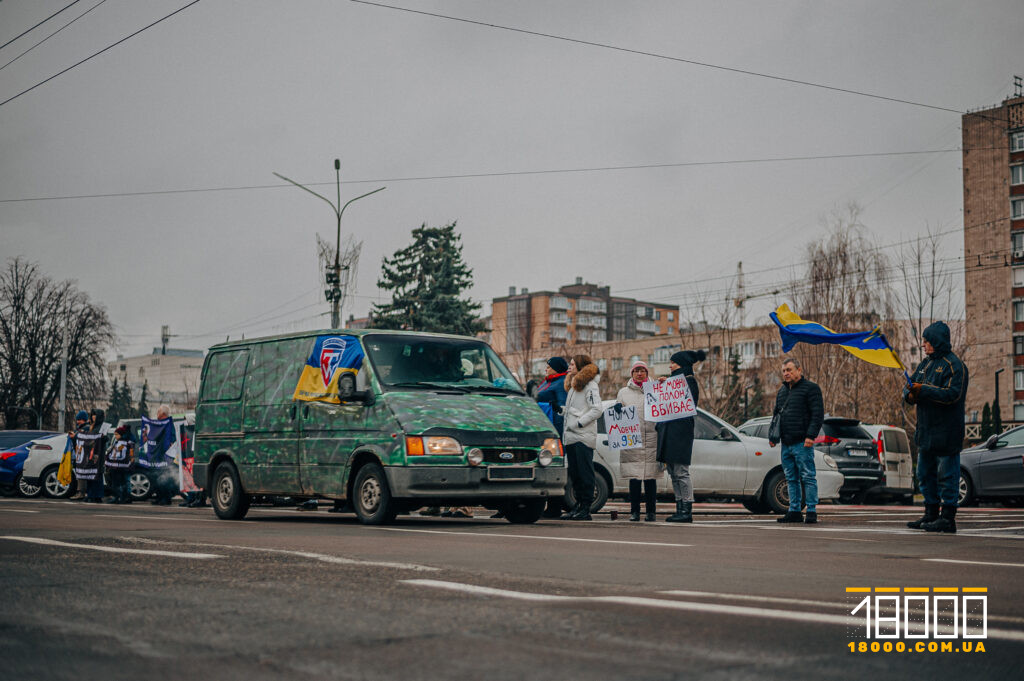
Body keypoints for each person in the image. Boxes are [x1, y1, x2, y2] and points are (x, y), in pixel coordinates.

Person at [904, 321, 968, 534]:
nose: (923, 345)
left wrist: (924, 390)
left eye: (926, 341)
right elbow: (911, 388)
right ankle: (930, 514)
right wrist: (910, 394)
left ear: (937, 341)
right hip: (926, 433)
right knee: (924, 474)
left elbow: (952, 395)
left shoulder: (954, 365)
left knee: (947, 476)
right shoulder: (924, 364)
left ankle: (948, 518)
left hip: (947, 434)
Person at [768, 357, 824, 524]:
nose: (786, 373)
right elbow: (776, 415)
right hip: (786, 443)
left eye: (789, 370)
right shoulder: (782, 391)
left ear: (799, 370)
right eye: (784, 371)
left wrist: (810, 436)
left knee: (808, 476)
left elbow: (817, 414)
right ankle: (794, 511)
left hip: (802, 442)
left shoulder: (811, 389)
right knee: (790, 478)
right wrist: (773, 437)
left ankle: (812, 511)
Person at [656, 350, 706, 523]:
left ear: (681, 364)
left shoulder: (689, 382)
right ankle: (680, 507)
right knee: (674, 473)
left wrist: (669, 383)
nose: (670, 366)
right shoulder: (677, 382)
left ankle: (686, 508)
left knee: (681, 472)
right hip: (670, 434)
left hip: (680, 434)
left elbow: (684, 404)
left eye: (673, 363)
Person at [615, 361, 661, 522]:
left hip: (651, 440)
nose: (639, 373)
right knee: (634, 479)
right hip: (632, 441)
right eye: (636, 371)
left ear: (647, 374)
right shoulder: (623, 392)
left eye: (642, 371)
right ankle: (634, 512)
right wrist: (616, 409)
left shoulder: (656, 389)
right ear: (632, 374)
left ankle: (651, 512)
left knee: (650, 479)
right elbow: (617, 414)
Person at [559, 354, 602, 521]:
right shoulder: (574, 384)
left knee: (585, 473)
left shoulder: (590, 385)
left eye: (572, 364)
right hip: (571, 436)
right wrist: (561, 410)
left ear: (580, 366)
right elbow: (576, 409)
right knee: (575, 474)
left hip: (582, 436)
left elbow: (596, 409)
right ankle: (578, 506)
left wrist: (579, 424)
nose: (569, 367)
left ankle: (586, 507)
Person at [534, 357, 569, 518]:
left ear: (557, 368)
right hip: (542, 429)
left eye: (549, 366)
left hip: (554, 431)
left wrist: (558, 433)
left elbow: (562, 409)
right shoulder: (547, 382)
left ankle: (555, 507)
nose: (546, 368)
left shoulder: (561, 383)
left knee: (554, 467)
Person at [71, 409, 107, 503]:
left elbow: (105, 439)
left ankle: (97, 496)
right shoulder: (91, 426)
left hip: (98, 455)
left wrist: (103, 438)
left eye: (95, 415)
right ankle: (91, 494)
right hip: (89, 453)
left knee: (97, 476)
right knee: (89, 475)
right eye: (92, 415)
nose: (93, 416)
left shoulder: (102, 427)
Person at [105, 424, 135, 504]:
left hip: (121, 467)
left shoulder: (126, 443)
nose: (115, 436)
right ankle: (118, 497)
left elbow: (129, 454)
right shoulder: (117, 443)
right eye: (115, 434)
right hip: (115, 467)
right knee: (116, 483)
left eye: (117, 434)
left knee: (122, 483)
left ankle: (122, 497)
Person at [66, 411, 89, 500]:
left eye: (79, 420)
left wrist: (74, 437)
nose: (78, 421)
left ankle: (81, 493)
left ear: (84, 420)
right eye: (77, 420)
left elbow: (82, 438)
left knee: (81, 475)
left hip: (83, 456)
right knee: (79, 475)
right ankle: (81, 492)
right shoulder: (80, 428)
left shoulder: (85, 428)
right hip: (79, 455)